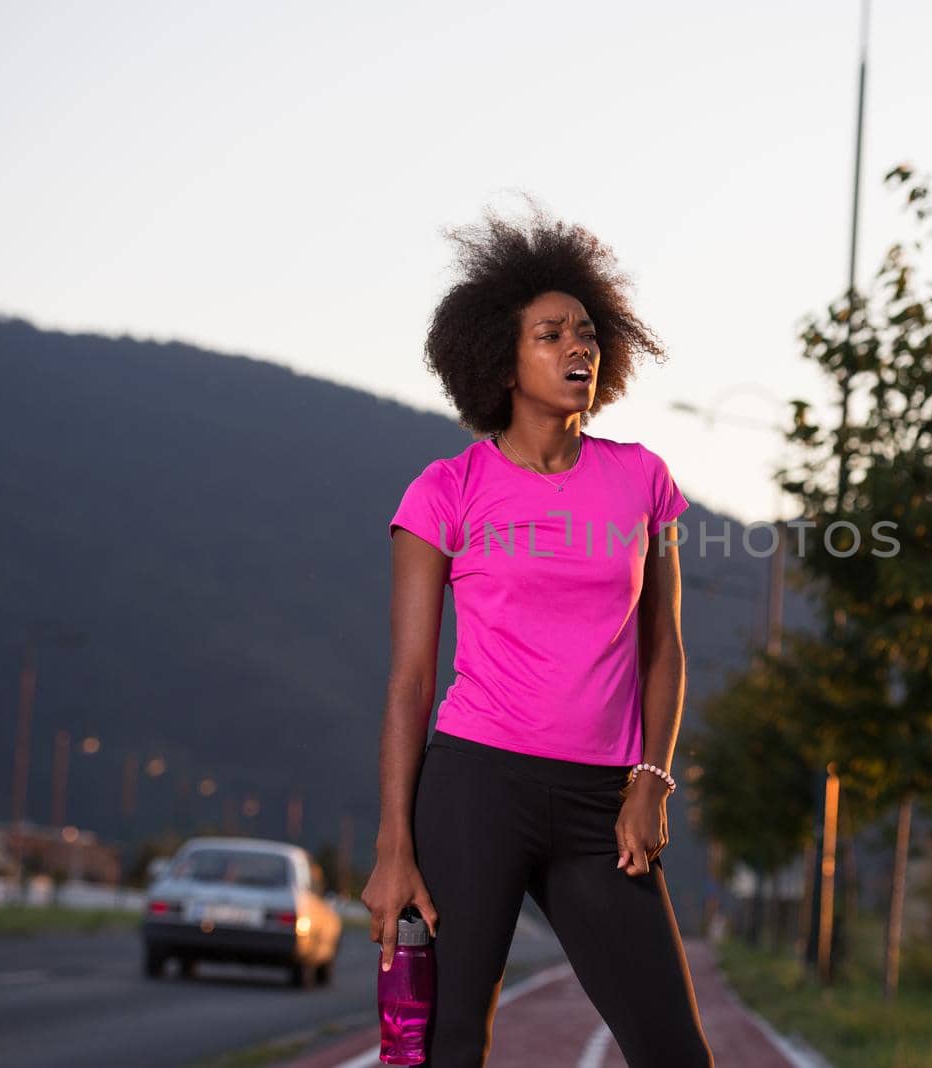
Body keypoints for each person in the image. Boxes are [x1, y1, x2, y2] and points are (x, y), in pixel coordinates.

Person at [361, 203, 714, 1068]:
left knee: (675, 1052)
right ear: (502, 360)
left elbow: (663, 647)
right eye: (550, 334)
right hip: (479, 786)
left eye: (587, 332)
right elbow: (410, 682)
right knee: (449, 1044)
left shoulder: (641, 480)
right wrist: (394, 848)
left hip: (603, 804)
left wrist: (652, 783)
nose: (577, 349)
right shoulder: (446, 492)